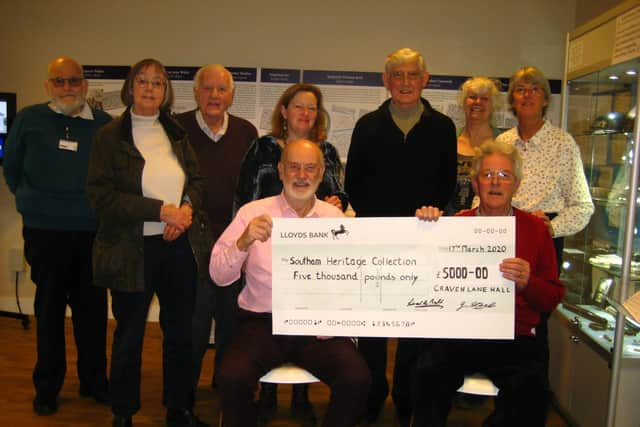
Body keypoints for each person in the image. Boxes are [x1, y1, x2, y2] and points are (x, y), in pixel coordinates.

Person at [211, 139, 370, 427]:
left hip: (316, 327)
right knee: (230, 377)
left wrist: (338, 323)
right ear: (281, 170)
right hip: (262, 323)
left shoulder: (335, 218)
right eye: (293, 167)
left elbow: (354, 283)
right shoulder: (252, 212)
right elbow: (218, 275)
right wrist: (243, 241)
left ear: (321, 173)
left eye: (310, 168)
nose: (301, 175)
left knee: (357, 379)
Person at [87, 58, 209, 427]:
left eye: (158, 82)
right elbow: (101, 196)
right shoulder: (110, 136)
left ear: (165, 90)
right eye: (143, 81)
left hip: (177, 247)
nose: (150, 88)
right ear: (130, 87)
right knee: (129, 335)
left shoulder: (175, 131)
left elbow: (197, 181)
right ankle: (123, 412)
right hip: (131, 250)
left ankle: (179, 407)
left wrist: (185, 211)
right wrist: (161, 211)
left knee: (180, 333)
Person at [412, 140, 565, 427]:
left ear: (516, 184)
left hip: (514, 335)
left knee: (532, 390)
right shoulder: (455, 225)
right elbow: (424, 280)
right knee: (428, 373)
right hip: (462, 330)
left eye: (505, 176)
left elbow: (552, 297)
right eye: (488, 175)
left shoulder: (536, 230)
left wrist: (528, 282)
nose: (496, 183)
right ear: (475, 183)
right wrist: (425, 229)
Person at [344, 47, 457, 425]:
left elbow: (445, 188)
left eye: (413, 75)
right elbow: (354, 186)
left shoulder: (442, 128)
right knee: (373, 329)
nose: (405, 82)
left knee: (416, 327)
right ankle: (372, 395)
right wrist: (383, 225)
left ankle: (407, 397)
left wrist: (423, 221)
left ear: (425, 80)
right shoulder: (367, 126)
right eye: (398, 75)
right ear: (386, 80)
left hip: (424, 243)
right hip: (376, 242)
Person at [233, 82, 348, 423]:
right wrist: (243, 241)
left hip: (314, 249)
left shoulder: (325, 151)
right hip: (266, 246)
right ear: (284, 110)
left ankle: (301, 396)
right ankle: (267, 393)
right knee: (267, 318)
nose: (305, 113)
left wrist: (336, 205)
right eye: (298, 106)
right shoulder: (263, 147)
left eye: (312, 108)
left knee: (309, 315)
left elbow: (339, 192)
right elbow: (245, 195)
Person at [3, 56, 111, 416]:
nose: (68, 88)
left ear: (84, 84)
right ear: (49, 85)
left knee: (92, 314)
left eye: (74, 81)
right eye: (60, 81)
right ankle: (47, 386)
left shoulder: (102, 125)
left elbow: (112, 176)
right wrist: (32, 202)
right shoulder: (29, 120)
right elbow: (12, 167)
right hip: (45, 233)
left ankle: (94, 381)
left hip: (91, 234)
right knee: (48, 313)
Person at [174, 64, 257, 397]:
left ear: (232, 95)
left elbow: (253, 189)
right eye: (207, 88)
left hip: (233, 245)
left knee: (230, 323)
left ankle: (225, 387)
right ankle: (184, 396)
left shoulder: (246, 132)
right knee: (192, 325)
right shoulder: (176, 129)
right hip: (188, 243)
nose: (214, 95)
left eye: (221, 89)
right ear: (196, 93)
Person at [495, 66, 594, 270]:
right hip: (503, 233)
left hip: (543, 237)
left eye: (535, 89)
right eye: (520, 89)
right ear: (513, 100)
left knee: (539, 299)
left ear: (546, 99)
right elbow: (486, 191)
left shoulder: (563, 143)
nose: (527, 95)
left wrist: (553, 227)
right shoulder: (502, 143)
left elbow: (583, 206)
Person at [445, 76, 503, 216]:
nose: (477, 102)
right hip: (449, 221)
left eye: (484, 99)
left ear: (493, 105)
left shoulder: (503, 143)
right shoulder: (448, 139)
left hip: (486, 222)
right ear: (463, 103)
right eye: (472, 97)